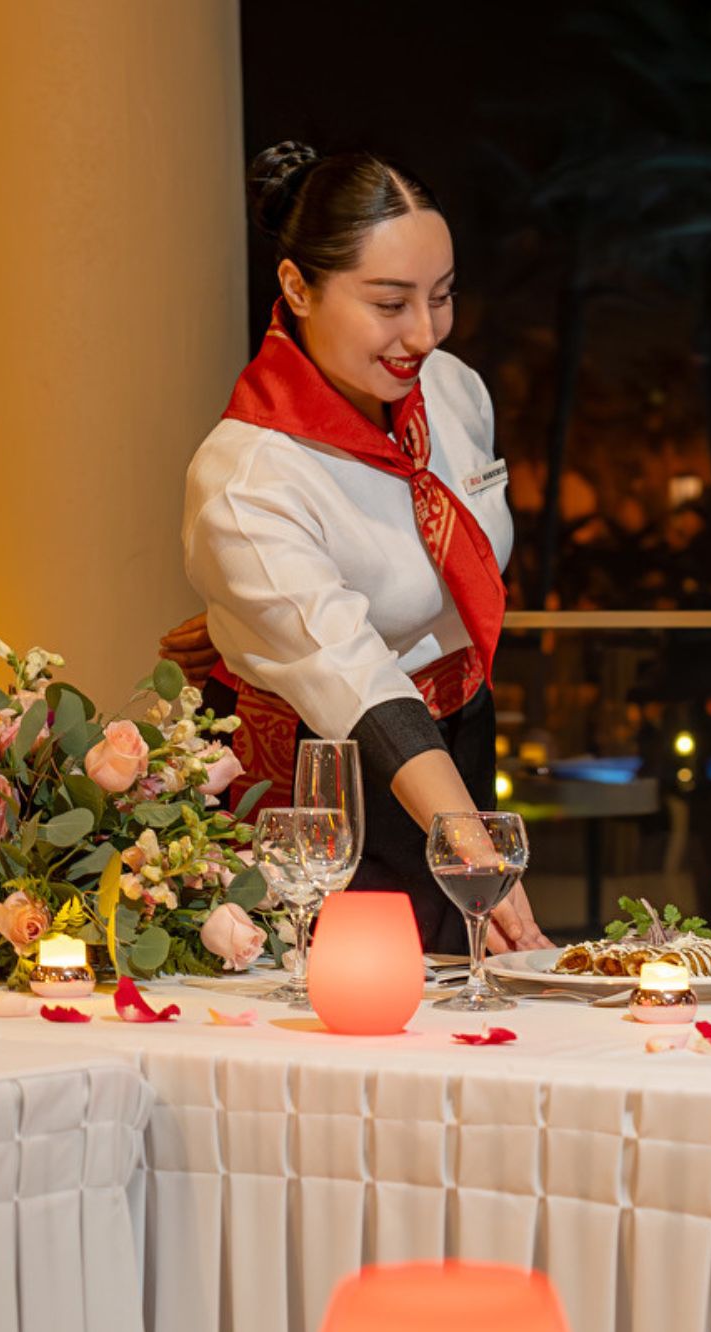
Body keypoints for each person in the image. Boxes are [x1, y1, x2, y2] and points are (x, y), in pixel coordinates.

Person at [165, 142, 547, 954]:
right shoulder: (249, 475)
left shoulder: (452, 390)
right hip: (328, 774)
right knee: (354, 1007)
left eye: (440, 298)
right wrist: (468, 838)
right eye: (389, 303)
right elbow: (356, 680)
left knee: (463, 994)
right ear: (298, 287)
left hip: (457, 739)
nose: (424, 333)